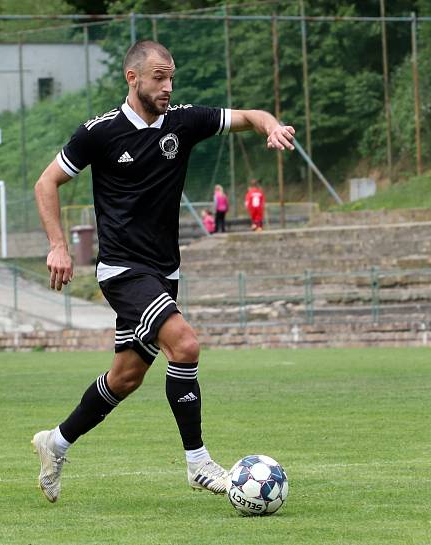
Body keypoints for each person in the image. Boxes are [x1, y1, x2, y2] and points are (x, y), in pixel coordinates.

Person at [31, 40, 294, 503]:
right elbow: (46, 181)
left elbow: (250, 116)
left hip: (162, 272)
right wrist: (58, 246)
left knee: (126, 377)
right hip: (121, 271)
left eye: (171, 77)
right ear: (132, 78)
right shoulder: (100, 133)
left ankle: (55, 442)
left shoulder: (183, 122)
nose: (167, 86)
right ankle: (198, 463)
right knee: (185, 344)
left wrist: (271, 127)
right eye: (158, 77)